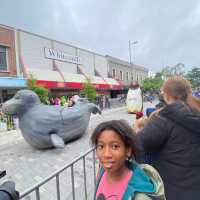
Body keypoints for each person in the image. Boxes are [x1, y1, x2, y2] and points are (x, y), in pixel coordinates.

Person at [136, 76, 200, 200]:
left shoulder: (165, 119)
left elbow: (137, 144)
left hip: (173, 191)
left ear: (167, 95)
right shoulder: (195, 112)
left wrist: (138, 128)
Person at [90, 120, 166, 200]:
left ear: (128, 150)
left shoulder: (140, 196)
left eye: (115, 146)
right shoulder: (103, 170)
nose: (106, 154)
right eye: (101, 146)